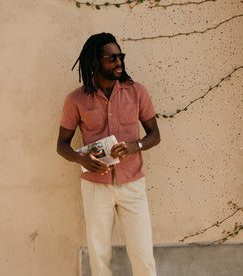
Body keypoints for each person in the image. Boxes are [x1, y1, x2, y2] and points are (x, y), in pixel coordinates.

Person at [57, 33, 160, 276]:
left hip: (133, 183)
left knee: (143, 255)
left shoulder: (137, 92)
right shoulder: (75, 100)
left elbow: (155, 134)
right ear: (95, 62)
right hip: (95, 186)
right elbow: (62, 144)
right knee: (99, 256)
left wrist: (137, 145)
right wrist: (80, 158)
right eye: (111, 58)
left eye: (120, 56)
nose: (119, 62)